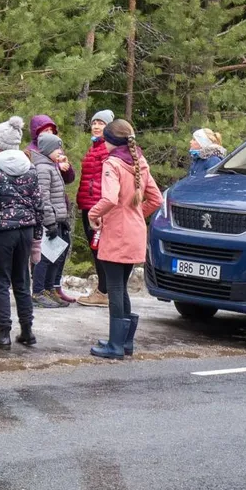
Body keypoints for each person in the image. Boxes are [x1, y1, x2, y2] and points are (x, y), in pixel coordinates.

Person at [88, 119, 163, 359]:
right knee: (122, 287)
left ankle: (115, 345)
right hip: (135, 232)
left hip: (117, 233)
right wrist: (135, 215)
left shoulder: (113, 164)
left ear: (110, 141)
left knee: (115, 287)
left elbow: (109, 199)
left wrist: (93, 213)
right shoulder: (140, 161)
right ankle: (125, 342)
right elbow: (156, 199)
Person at [0, 117, 44, 349]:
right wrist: (37, 236)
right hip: (26, 231)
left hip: (3, 231)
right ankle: (27, 330)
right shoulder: (30, 167)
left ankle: (3, 332)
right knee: (22, 280)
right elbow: (39, 204)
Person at [29, 131, 74, 308]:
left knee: (57, 256)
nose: (60, 152)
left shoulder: (52, 166)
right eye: (57, 149)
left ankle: (49, 289)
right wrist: (49, 221)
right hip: (49, 221)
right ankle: (38, 291)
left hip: (58, 219)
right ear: (47, 150)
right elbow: (43, 198)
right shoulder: (43, 169)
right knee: (46, 257)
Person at [76, 110, 112, 307]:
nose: (96, 126)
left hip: (98, 207)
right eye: (94, 123)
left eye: (101, 123)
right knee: (96, 248)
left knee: (99, 248)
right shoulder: (94, 148)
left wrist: (101, 209)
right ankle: (104, 289)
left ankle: (104, 291)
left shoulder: (106, 149)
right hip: (88, 204)